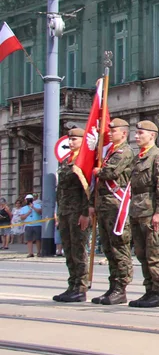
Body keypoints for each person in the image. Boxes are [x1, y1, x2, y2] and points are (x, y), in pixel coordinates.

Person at [87, 119, 135, 305]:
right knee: (107, 247)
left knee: (119, 246)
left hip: (116, 205)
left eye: (113, 131)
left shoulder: (124, 152)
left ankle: (121, 287)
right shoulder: (109, 152)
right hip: (105, 205)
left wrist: (98, 170)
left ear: (123, 133)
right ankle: (112, 285)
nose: (109, 133)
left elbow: (110, 173)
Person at [126, 120, 159, 307]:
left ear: (152, 135)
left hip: (151, 211)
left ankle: (158, 292)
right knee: (141, 252)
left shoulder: (158, 157)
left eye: (140, 133)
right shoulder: (138, 158)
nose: (136, 137)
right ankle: (149, 289)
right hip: (138, 210)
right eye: (136, 134)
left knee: (155, 253)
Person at [53, 128, 91, 302]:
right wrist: (57, 211)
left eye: (74, 139)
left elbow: (87, 190)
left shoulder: (83, 161)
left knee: (78, 250)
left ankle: (81, 287)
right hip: (65, 212)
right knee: (68, 250)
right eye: (69, 139)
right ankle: (72, 284)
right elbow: (60, 189)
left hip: (77, 213)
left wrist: (85, 213)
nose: (70, 143)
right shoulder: (67, 161)